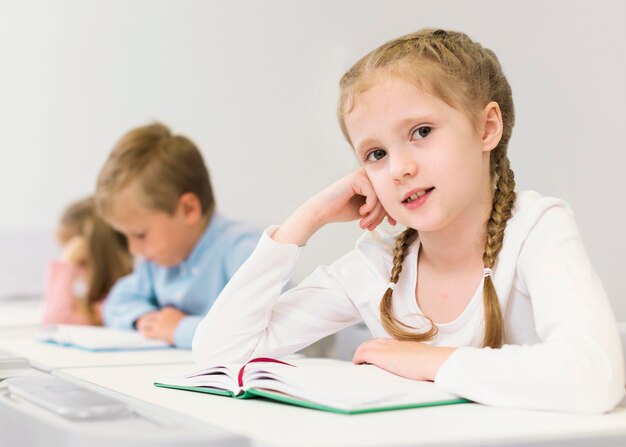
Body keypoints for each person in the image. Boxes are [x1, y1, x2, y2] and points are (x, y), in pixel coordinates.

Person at [192, 29, 625, 413]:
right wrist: (309, 218)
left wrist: (431, 361)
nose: (398, 168)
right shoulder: (377, 264)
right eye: (375, 154)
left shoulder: (536, 228)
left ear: (486, 127)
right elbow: (220, 353)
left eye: (421, 132)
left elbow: (595, 377)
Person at [95, 122, 260, 348]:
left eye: (140, 235)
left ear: (188, 210)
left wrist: (180, 329)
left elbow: (260, 330)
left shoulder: (244, 250)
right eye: (126, 237)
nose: (134, 250)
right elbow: (115, 303)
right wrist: (146, 319)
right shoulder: (156, 263)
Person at [41, 197, 133, 325]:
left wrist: (66, 266)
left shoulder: (115, 303)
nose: (78, 273)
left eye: (80, 263)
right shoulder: (98, 302)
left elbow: (56, 320)